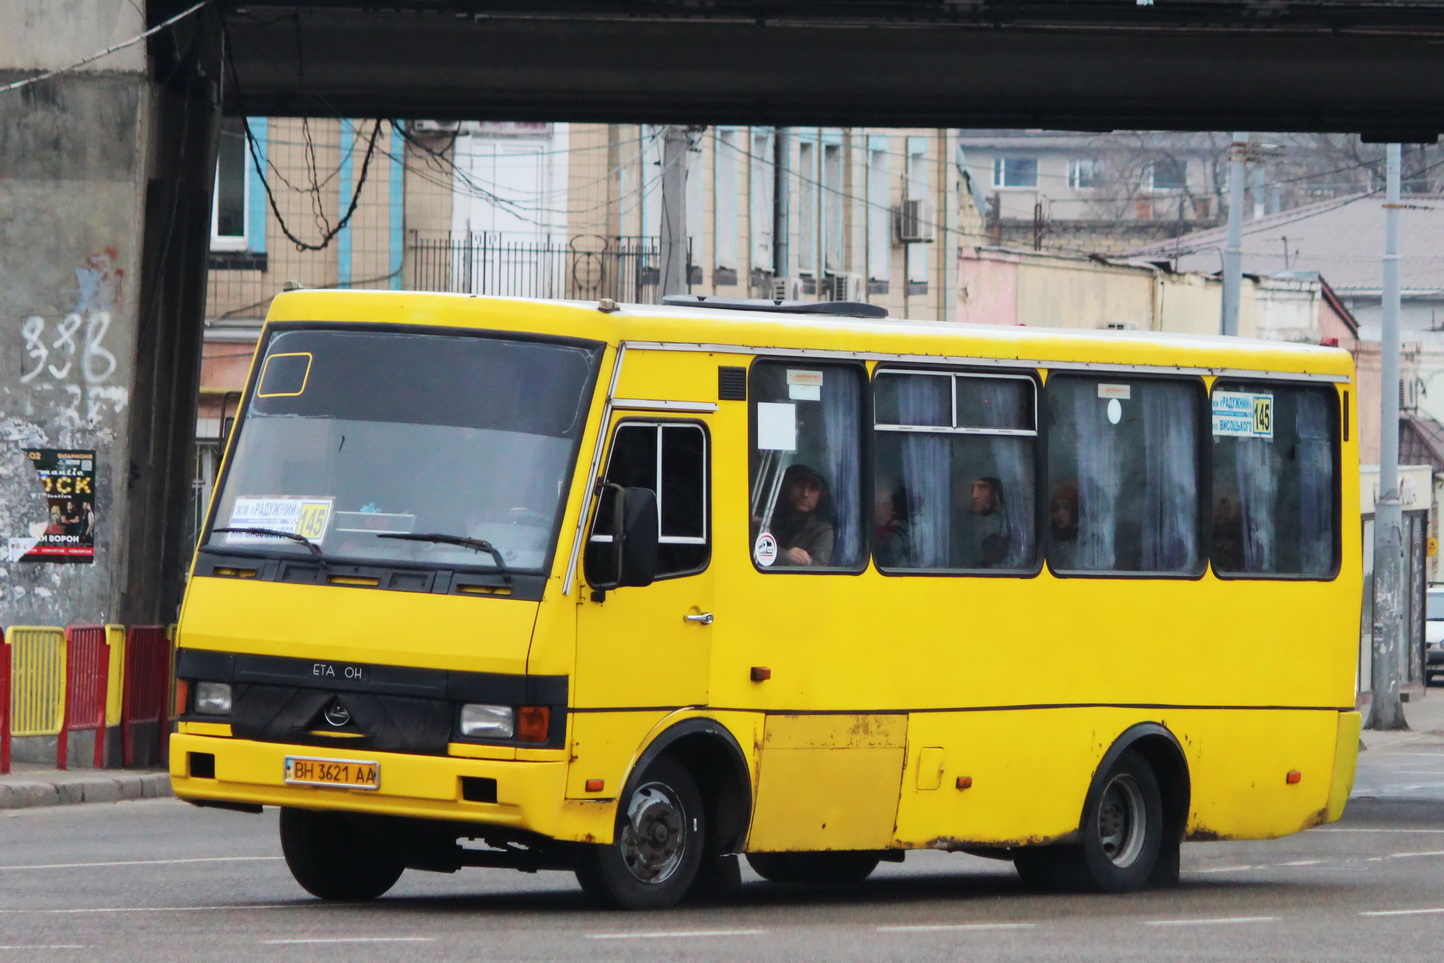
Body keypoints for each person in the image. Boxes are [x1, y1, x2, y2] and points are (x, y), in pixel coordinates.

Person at [769, 464, 835, 567]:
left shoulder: (823, 531)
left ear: (820, 495)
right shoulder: (768, 519)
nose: (805, 494)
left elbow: (817, 569)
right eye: (800, 485)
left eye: (813, 488)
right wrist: (784, 555)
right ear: (788, 488)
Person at [953, 476, 1008, 568]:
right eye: (972, 488)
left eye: (982, 488)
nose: (975, 495)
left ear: (995, 494)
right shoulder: (955, 523)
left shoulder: (1003, 526)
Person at [873, 481, 910, 568]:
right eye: (878, 504)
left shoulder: (897, 534)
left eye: (887, 504)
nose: (885, 509)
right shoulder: (872, 533)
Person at [1049, 484, 1080, 570]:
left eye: (1066, 508)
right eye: (1056, 509)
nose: (1060, 514)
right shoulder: (1047, 541)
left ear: (1074, 513)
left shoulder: (1084, 541)